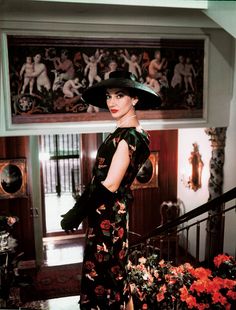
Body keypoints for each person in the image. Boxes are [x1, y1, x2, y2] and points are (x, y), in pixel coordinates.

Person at [60, 70, 161, 310]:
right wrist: (82, 208)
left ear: (134, 99)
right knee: (115, 279)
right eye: (108, 96)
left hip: (110, 217)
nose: (111, 102)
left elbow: (111, 184)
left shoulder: (131, 136)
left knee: (108, 280)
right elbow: (101, 181)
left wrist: (77, 212)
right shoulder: (121, 133)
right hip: (105, 214)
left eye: (119, 95)